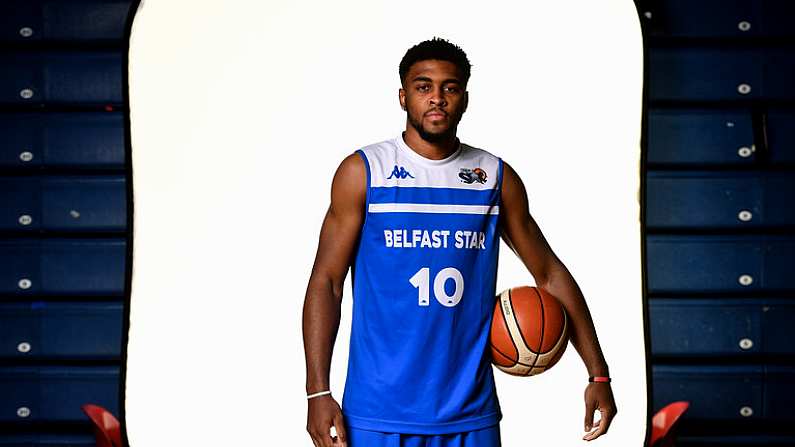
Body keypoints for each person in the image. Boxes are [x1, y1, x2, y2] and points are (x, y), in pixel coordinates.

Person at [302, 37, 617, 447]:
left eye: (449, 88)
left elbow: (550, 272)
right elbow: (326, 281)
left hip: (470, 414)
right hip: (378, 411)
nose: (437, 98)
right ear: (403, 96)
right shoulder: (365, 172)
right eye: (423, 86)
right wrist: (317, 391)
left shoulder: (494, 177)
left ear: (465, 98)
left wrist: (598, 372)